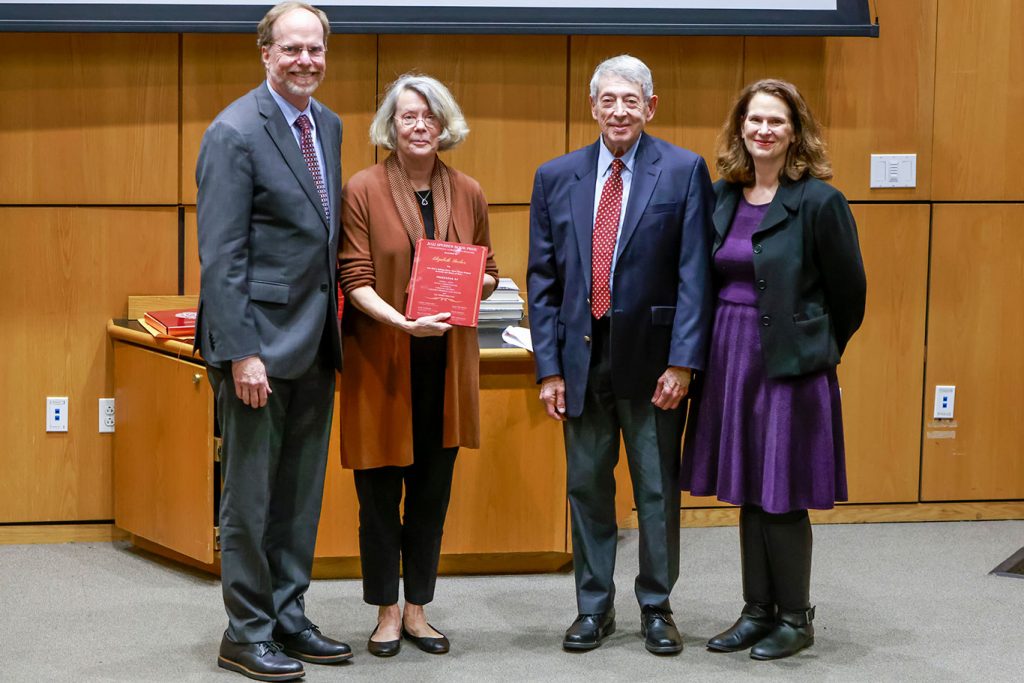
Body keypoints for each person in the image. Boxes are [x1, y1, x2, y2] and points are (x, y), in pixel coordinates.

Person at [527, 54, 714, 655]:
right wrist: (549, 368)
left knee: (656, 488)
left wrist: (683, 363)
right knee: (586, 486)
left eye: (631, 100)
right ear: (593, 106)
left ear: (650, 107)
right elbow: (543, 282)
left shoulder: (683, 171)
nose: (619, 111)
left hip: (655, 363)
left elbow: (695, 277)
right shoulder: (556, 176)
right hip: (581, 361)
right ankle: (593, 608)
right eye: (608, 100)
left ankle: (656, 607)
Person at [681, 78, 866, 660]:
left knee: (782, 492)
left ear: (795, 133)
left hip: (790, 366)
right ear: (741, 127)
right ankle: (756, 611)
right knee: (749, 490)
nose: (764, 130)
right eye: (754, 120)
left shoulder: (819, 201)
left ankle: (795, 616)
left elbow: (851, 293)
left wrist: (818, 351)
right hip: (729, 357)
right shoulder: (721, 195)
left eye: (776, 122)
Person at [194, 3, 350, 680]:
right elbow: (221, 257)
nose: (306, 61)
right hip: (257, 349)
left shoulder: (330, 126)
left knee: (298, 495)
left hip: (316, 343)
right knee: (250, 499)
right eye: (292, 50)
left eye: (315, 49)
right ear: (265, 54)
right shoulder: (233, 132)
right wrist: (241, 352)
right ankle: (246, 630)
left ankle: (288, 614)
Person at [338, 73, 498, 658]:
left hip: (446, 367)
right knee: (379, 496)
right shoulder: (362, 189)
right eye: (408, 115)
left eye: (430, 116)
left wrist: (471, 283)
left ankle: (417, 610)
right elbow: (353, 279)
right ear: (391, 125)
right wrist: (404, 323)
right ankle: (383, 612)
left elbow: (489, 270)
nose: (420, 125)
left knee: (432, 495)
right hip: (384, 360)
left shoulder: (471, 191)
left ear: (446, 123)